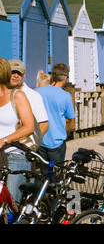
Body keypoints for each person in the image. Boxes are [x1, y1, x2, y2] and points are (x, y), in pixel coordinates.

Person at [7, 59, 49, 202]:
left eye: (18, 73)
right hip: (3, 152)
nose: (15, 76)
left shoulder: (33, 96)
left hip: (20, 154)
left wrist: (29, 146)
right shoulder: (4, 93)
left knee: (14, 198)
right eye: (13, 72)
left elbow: (43, 125)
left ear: (24, 75)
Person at [0, 57, 34, 203]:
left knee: (10, 205)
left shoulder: (17, 95)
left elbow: (29, 127)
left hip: (14, 156)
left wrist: (4, 140)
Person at [36, 63, 76, 167]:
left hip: (41, 138)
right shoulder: (66, 96)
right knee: (57, 172)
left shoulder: (38, 92)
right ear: (65, 77)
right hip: (57, 140)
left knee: (43, 173)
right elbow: (70, 118)